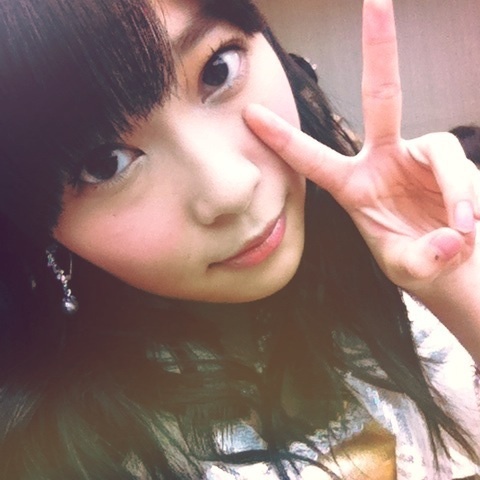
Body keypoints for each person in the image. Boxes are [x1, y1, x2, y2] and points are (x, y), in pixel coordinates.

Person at [1, 0, 480, 479]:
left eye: (217, 69)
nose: (229, 189)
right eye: (105, 165)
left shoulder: (407, 284)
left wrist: (458, 285)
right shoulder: (56, 455)